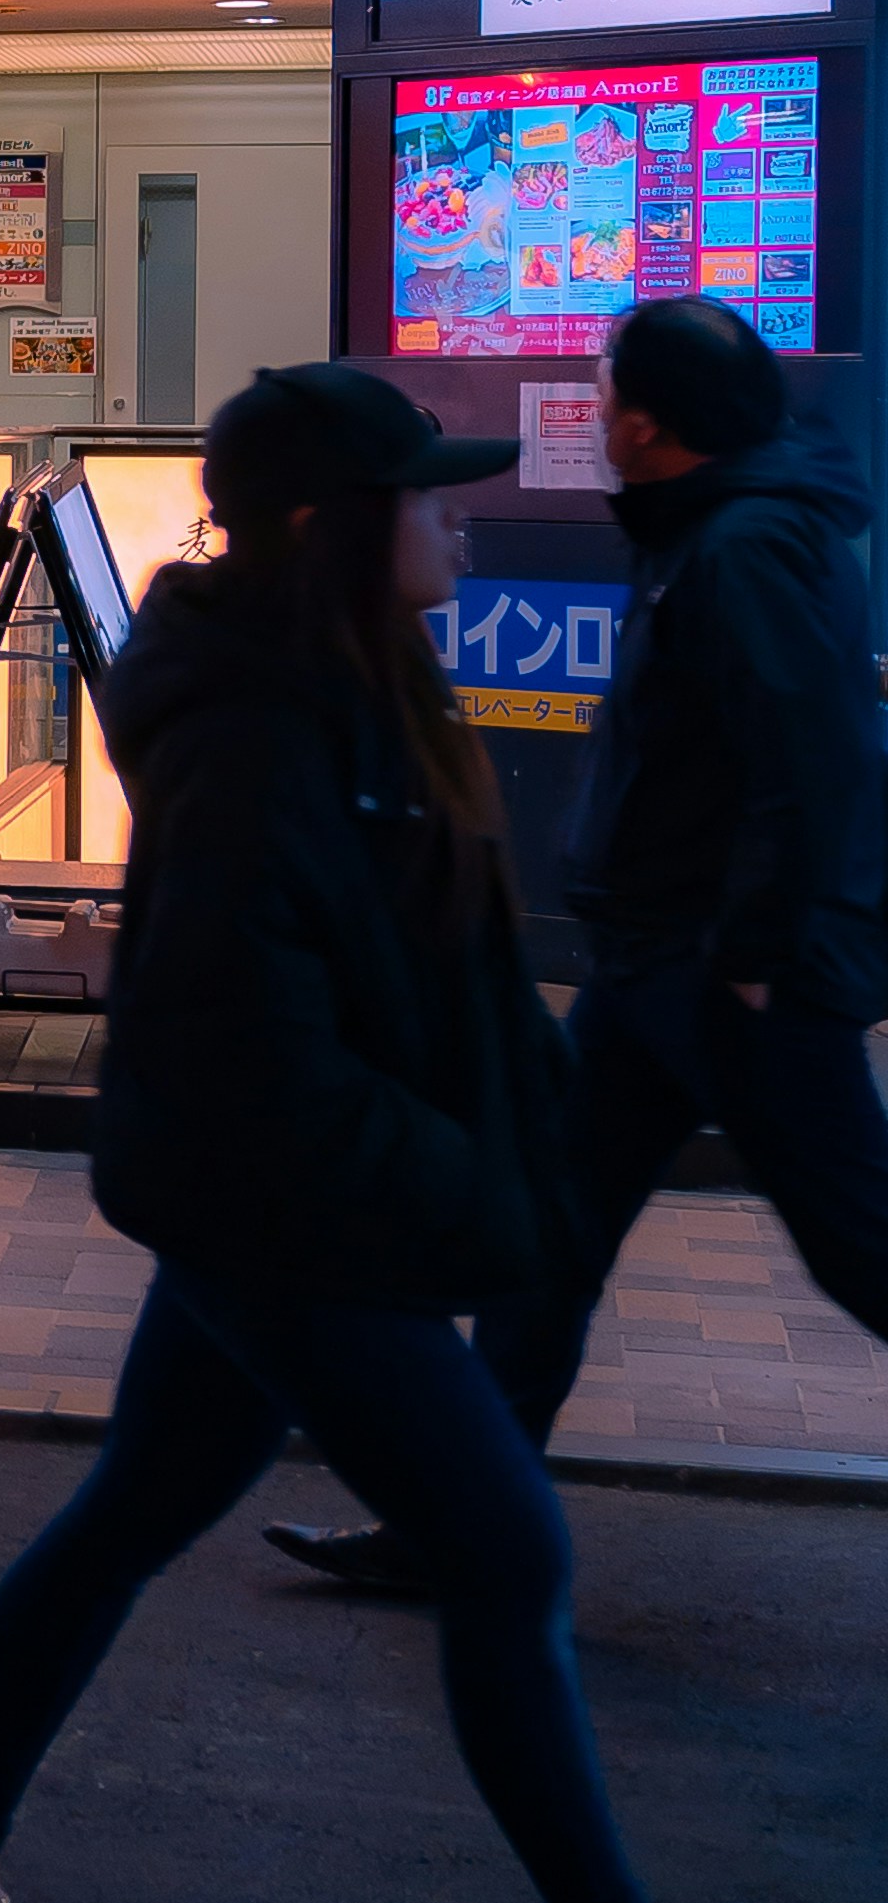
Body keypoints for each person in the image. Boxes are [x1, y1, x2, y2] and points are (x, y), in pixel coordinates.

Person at [0, 362, 845, 1903]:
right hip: (289, 1219)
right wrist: (456, 1184)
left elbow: (430, 979)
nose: (458, 522)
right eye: (430, 500)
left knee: (131, 1519)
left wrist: (511, 1121)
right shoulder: (260, 732)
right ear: (338, 528)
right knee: (508, 1552)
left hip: (281, 1203)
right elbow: (247, 1038)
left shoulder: (350, 693)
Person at [274, 291, 888, 1599]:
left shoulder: (746, 549)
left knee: (860, 1243)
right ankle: (457, 1519)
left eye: (609, 397)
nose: (596, 416)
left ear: (652, 427)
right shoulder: (713, 529)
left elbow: (818, 767)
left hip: (737, 984)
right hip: (657, 976)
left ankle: (456, 1521)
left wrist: (758, 956)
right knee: (541, 1236)